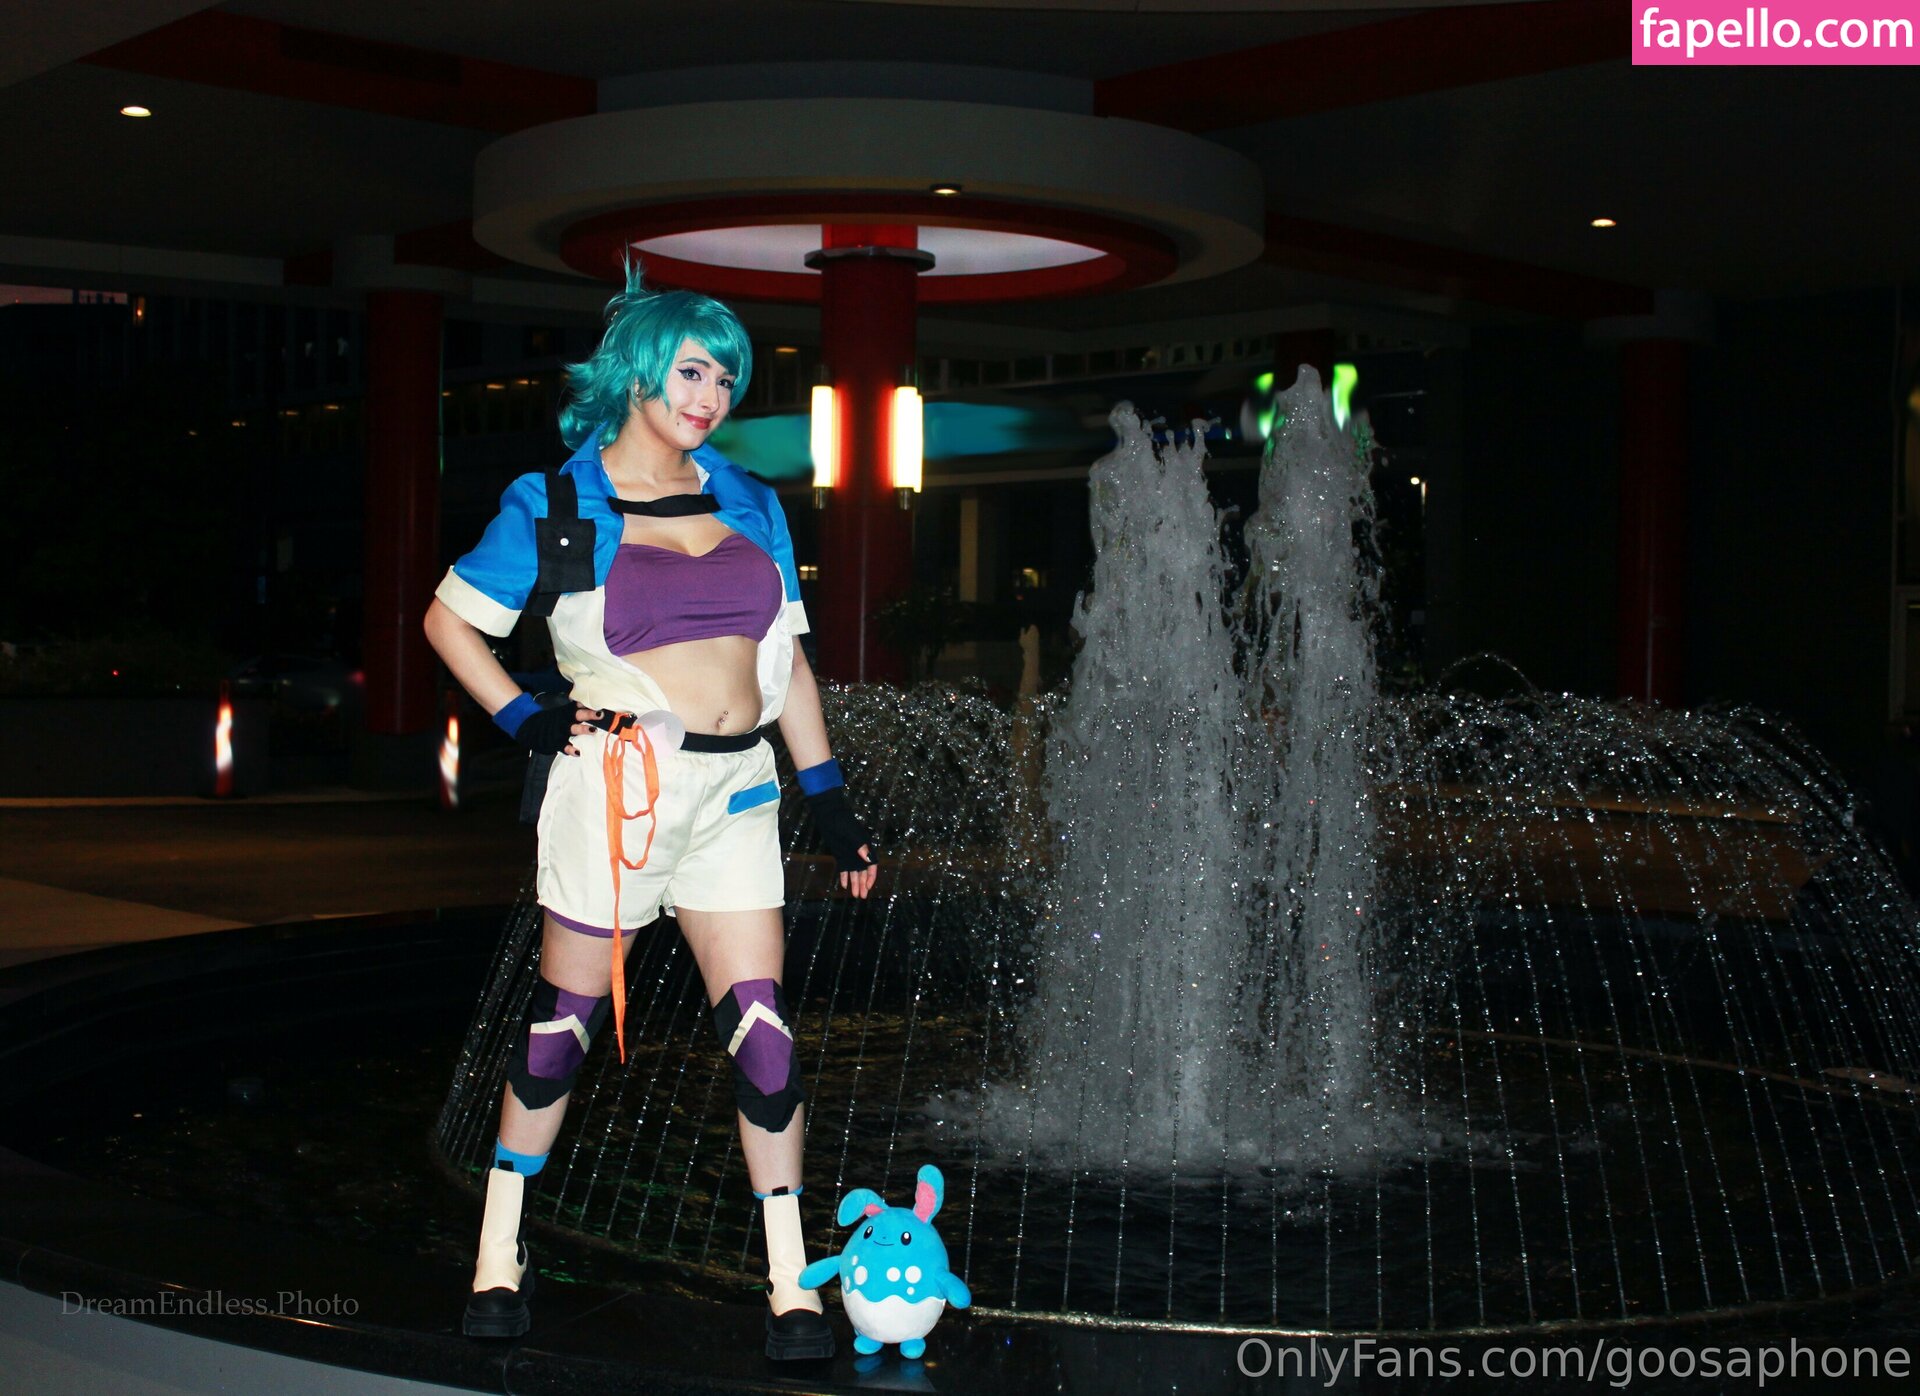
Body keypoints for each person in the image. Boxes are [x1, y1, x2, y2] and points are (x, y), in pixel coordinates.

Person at [423, 264, 876, 1361]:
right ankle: (498, 1252)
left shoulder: (750, 498)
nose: (712, 395)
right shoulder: (556, 501)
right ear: (636, 372)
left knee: (764, 1034)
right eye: (692, 372)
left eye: (726, 378)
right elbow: (448, 621)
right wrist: (527, 717)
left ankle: (790, 1282)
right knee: (560, 1030)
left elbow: (790, 665)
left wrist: (828, 798)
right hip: (616, 794)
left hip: (738, 793)